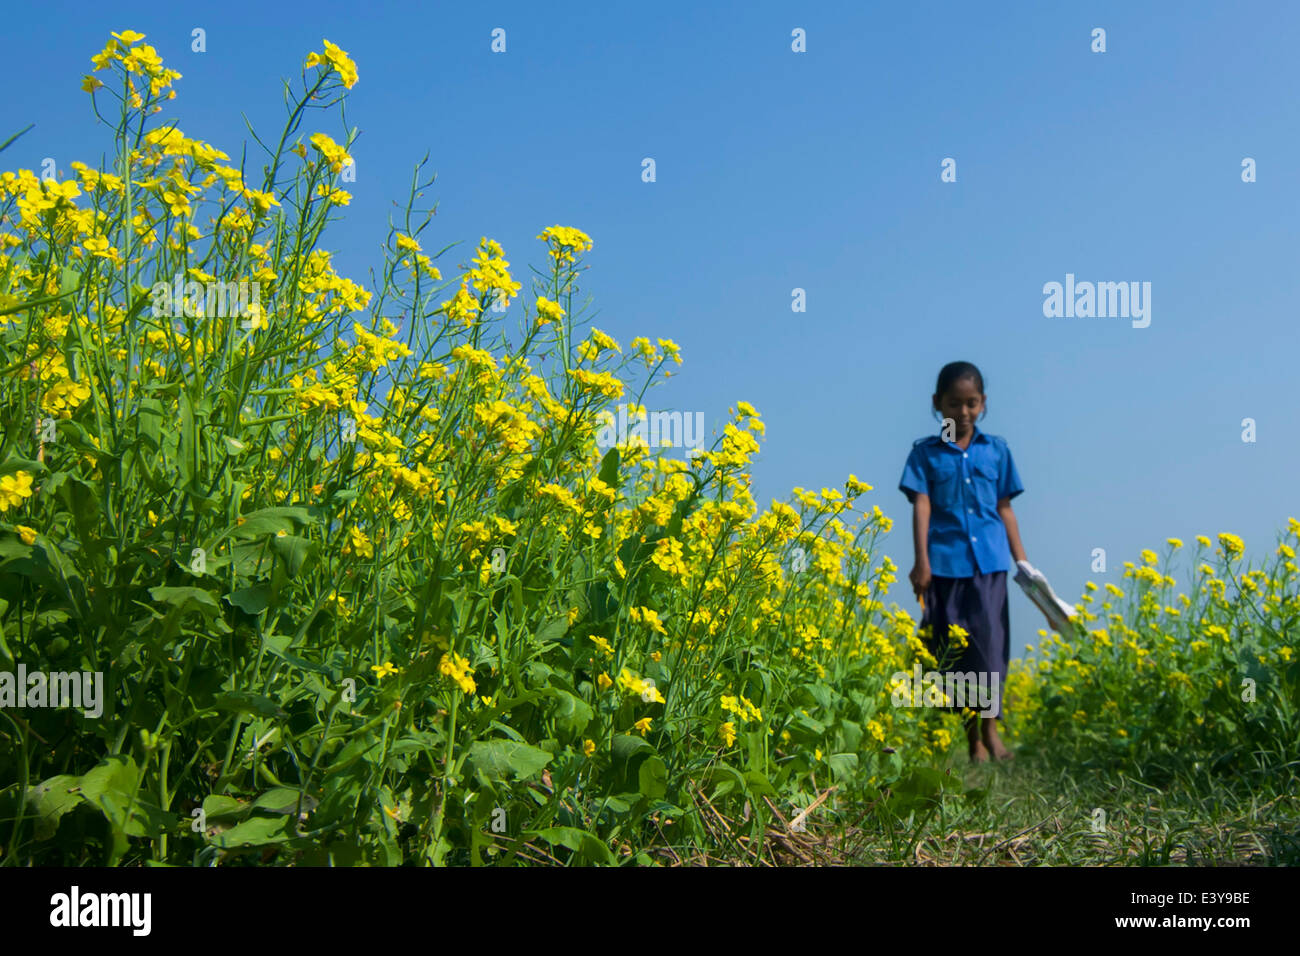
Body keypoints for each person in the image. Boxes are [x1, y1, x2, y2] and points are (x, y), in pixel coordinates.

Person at [898, 361, 1030, 763]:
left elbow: (1004, 508)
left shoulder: (997, 450)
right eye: (954, 403)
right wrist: (921, 561)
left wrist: (1022, 562)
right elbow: (922, 505)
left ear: (983, 403)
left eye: (972, 403)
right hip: (944, 566)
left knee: (990, 650)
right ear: (938, 404)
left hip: (989, 564)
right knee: (955, 655)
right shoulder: (925, 454)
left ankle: (992, 731)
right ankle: (971, 739)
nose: (963, 412)